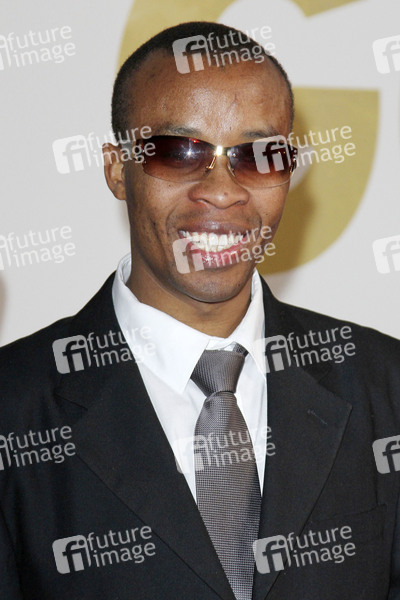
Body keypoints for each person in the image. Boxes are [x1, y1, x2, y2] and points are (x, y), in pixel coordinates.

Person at [0, 20, 399, 600]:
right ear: (117, 169)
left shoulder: (384, 385)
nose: (222, 190)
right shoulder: (14, 406)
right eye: (178, 152)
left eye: (258, 156)